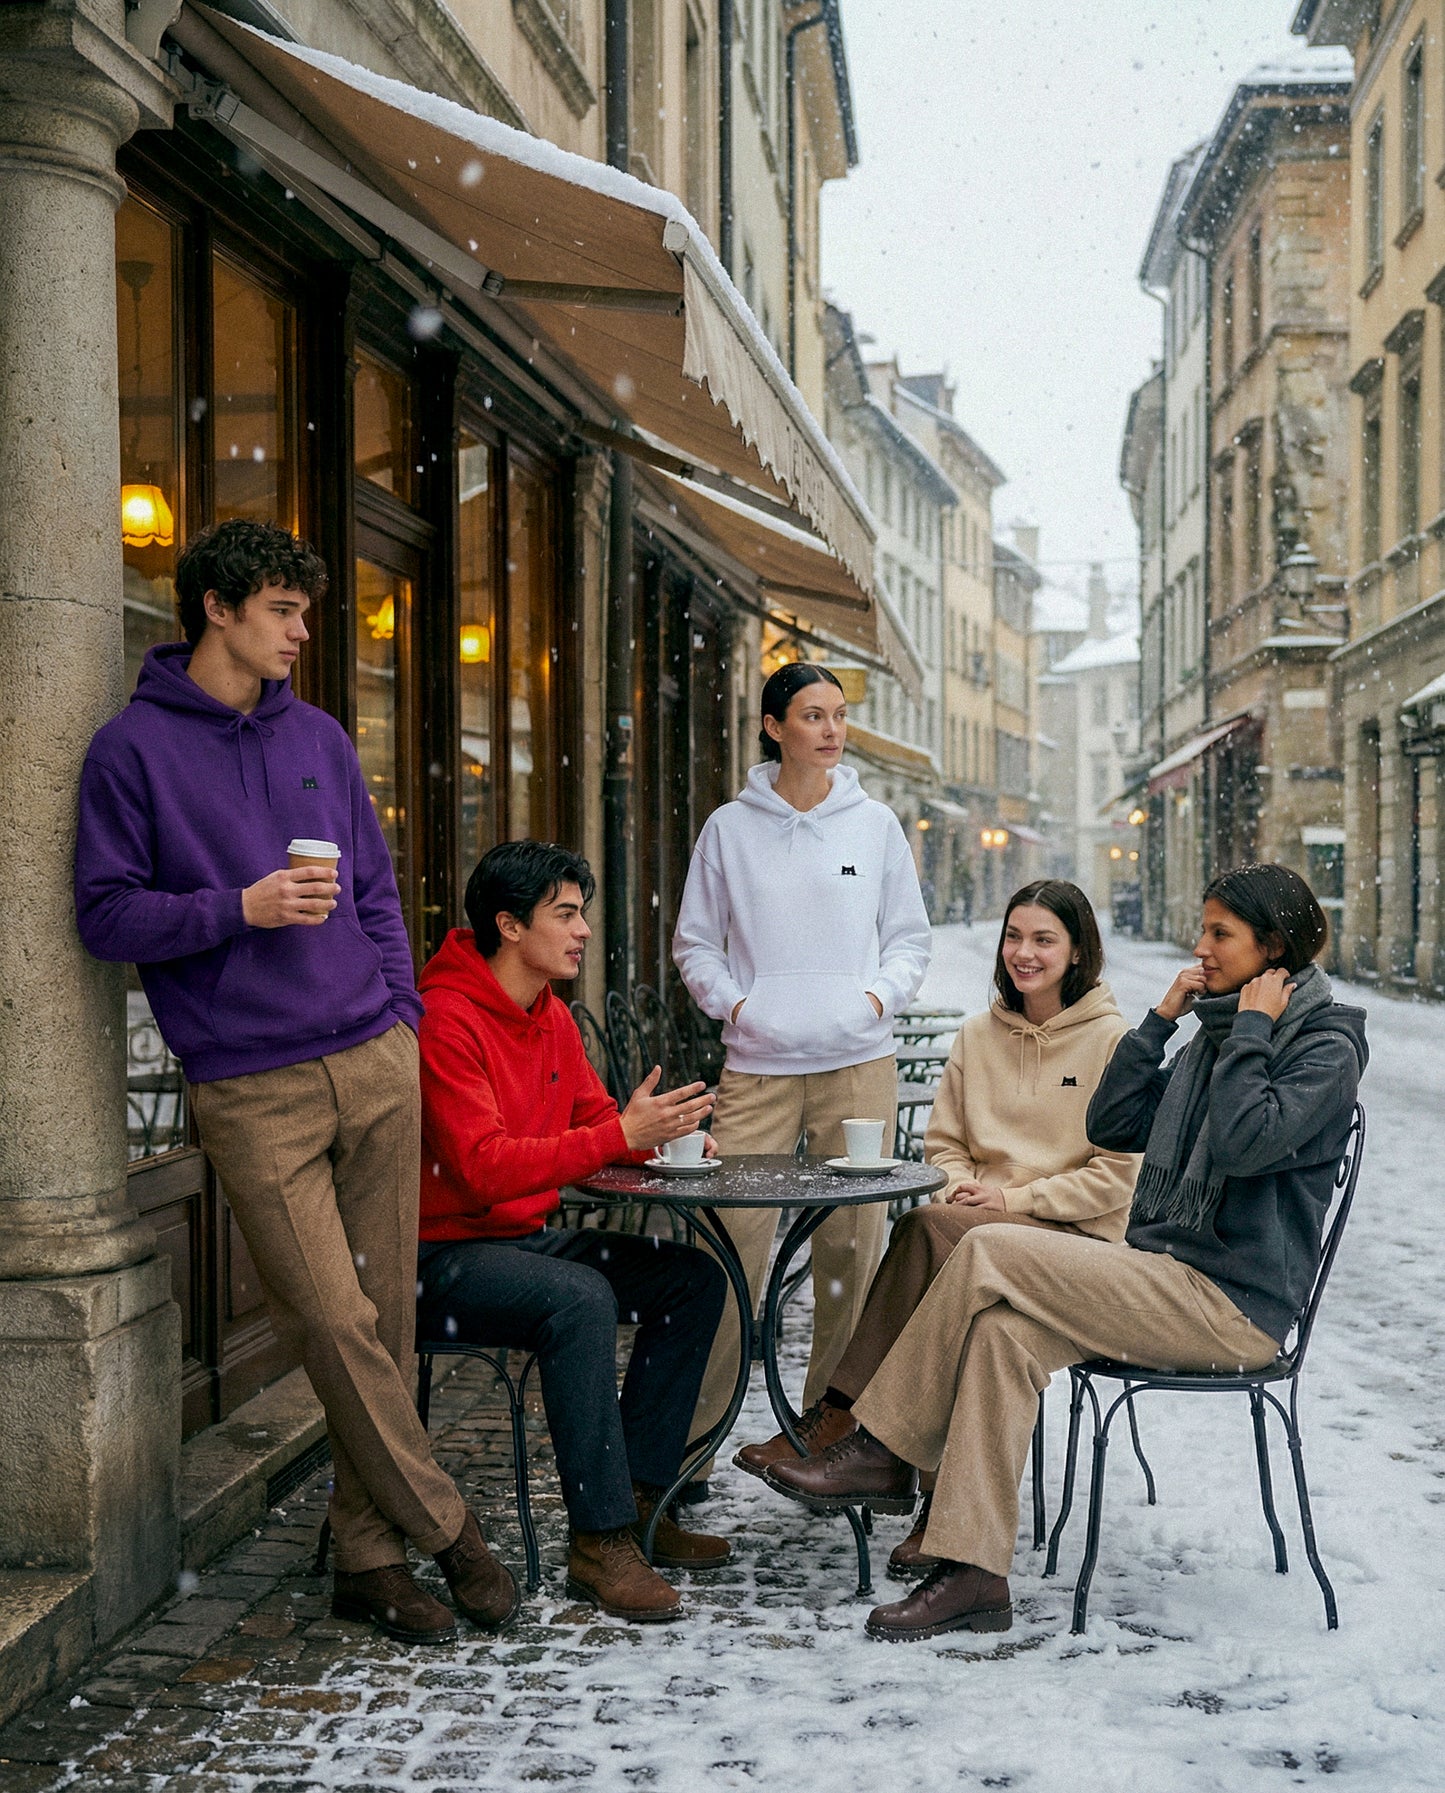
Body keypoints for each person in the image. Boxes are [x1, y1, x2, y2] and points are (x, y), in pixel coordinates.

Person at [74, 518, 517, 1646]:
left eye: (304, 610)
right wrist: (239, 908)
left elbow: (374, 887)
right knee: (328, 1318)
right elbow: (105, 911)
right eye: (282, 608)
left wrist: (400, 1020)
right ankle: (450, 1525)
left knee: (389, 1319)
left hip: (370, 1057)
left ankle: (367, 1560)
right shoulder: (131, 751)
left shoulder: (316, 733)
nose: (301, 631)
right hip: (250, 1081)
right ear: (216, 608)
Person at [766, 863, 1366, 1642]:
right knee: (998, 1335)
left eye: (1219, 932)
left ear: (1274, 944)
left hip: (1231, 1305)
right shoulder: (1212, 1034)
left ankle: (880, 1447)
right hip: (1163, 1275)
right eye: (1203, 927)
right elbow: (1114, 1122)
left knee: (983, 1248)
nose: (1200, 946)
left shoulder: (1323, 1045)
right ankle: (973, 1571)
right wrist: (1158, 1020)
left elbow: (1249, 1141)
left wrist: (1248, 1030)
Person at [743, 881, 1141, 1576]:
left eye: (1043, 939)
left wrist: (1012, 1200)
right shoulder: (977, 1035)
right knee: (955, 1279)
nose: (1023, 952)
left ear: (1078, 950)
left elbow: (1117, 1178)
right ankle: (939, 1509)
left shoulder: (1113, 1042)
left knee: (927, 1232)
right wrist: (963, 1183)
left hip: (1071, 1244)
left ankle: (851, 1423)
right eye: (1013, 936)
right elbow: (945, 1143)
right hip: (974, 1230)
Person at [415, 841, 734, 1623]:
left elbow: (595, 1122)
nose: (583, 928)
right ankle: (599, 1540)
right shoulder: (445, 1019)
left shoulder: (547, 1014)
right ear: (508, 925)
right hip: (436, 1255)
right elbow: (482, 1168)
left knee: (690, 1280)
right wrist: (615, 1132)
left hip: (516, 1239)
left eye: (582, 911)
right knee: (579, 1297)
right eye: (566, 913)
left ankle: (640, 1502)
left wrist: (657, 1139)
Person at [673, 663, 932, 1485]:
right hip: (755, 1067)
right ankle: (692, 1449)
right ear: (772, 725)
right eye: (812, 715)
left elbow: (909, 939)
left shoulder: (875, 824)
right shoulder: (728, 828)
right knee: (725, 1253)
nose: (830, 729)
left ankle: (830, 1437)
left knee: (851, 1255)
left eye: (839, 715)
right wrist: (738, 1007)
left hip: (859, 1062)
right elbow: (696, 944)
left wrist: (873, 997)